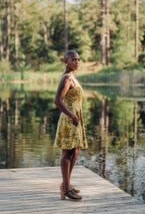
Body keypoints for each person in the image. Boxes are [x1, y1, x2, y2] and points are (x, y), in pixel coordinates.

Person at [54, 50, 88, 201]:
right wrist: (72, 115)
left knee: (75, 152)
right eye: (73, 60)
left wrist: (77, 117)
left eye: (78, 59)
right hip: (69, 120)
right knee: (67, 154)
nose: (77, 62)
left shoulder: (73, 77)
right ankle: (66, 189)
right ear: (66, 62)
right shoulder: (67, 79)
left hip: (76, 119)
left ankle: (65, 184)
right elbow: (58, 101)